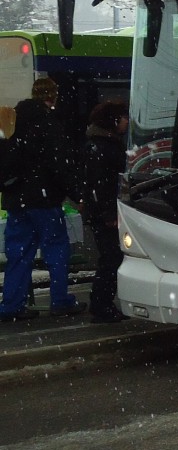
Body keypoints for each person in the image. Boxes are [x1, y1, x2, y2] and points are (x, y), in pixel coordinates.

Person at [0, 78, 85, 321]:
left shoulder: (13, 120)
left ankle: (12, 305)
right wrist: (77, 194)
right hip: (44, 201)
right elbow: (59, 165)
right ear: (54, 97)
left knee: (19, 254)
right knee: (56, 249)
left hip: (17, 200)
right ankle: (60, 300)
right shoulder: (48, 123)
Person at [80, 100, 129, 323]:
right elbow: (101, 184)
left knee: (110, 258)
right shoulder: (105, 147)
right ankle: (101, 305)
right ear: (113, 120)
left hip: (102, 211)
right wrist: (108, 213)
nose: (127, 122)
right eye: (123, 117)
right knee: (111, 259)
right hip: (107, 213)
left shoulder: (96, 144)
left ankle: (102, 303)